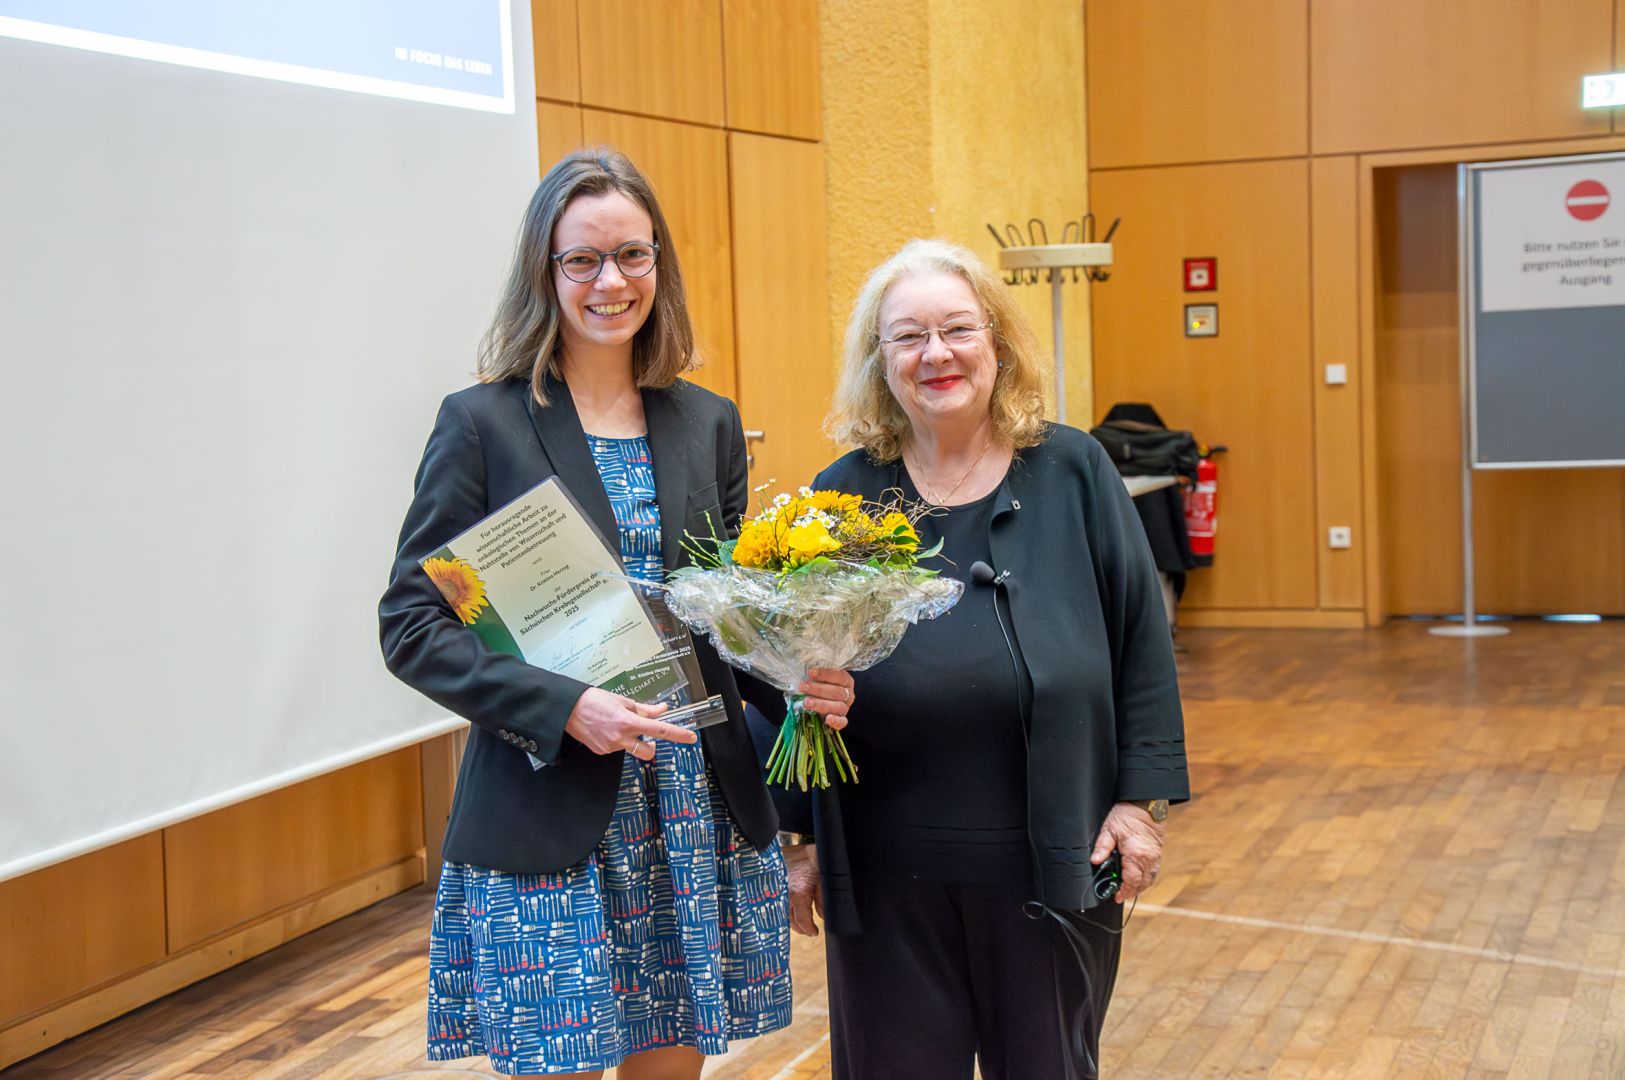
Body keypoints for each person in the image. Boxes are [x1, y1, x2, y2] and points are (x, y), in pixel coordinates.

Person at [378, 147, 855, 1080]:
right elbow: (412, 625)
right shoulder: (483, 423)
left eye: (632, 255)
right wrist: (563, 708)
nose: (611, 281)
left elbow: (721, 617)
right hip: (550, 798)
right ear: (544, 273)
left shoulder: (706, 422)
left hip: (687, 802)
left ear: (658, 265)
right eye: (582, 260)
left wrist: (802, 672)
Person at [779, 238, 1189, 1080]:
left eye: (957, 329)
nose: (936, 354)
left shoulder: (1073, 470)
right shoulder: (840, 494)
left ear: (996, 344)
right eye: (907, 337)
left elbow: (1140, 644)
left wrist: (1137, 803)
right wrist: (798, 836)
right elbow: (795, 684)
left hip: (1054, 853)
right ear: (878, 360)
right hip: (884, 866)